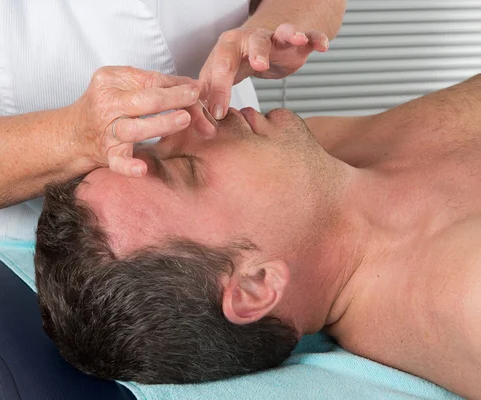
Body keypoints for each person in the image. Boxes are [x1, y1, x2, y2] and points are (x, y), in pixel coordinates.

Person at [0, 1, 347, 398]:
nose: (187, 124)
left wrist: (280, 24)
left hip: (217, 221)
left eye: (181, 167)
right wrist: (74, 137)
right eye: (182, 169)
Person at [35, 74, 481, 399]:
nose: (192, 121)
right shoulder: (466, 298)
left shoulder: (323, 160)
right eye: (187, 168)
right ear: (254, 286)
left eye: (154, 145)